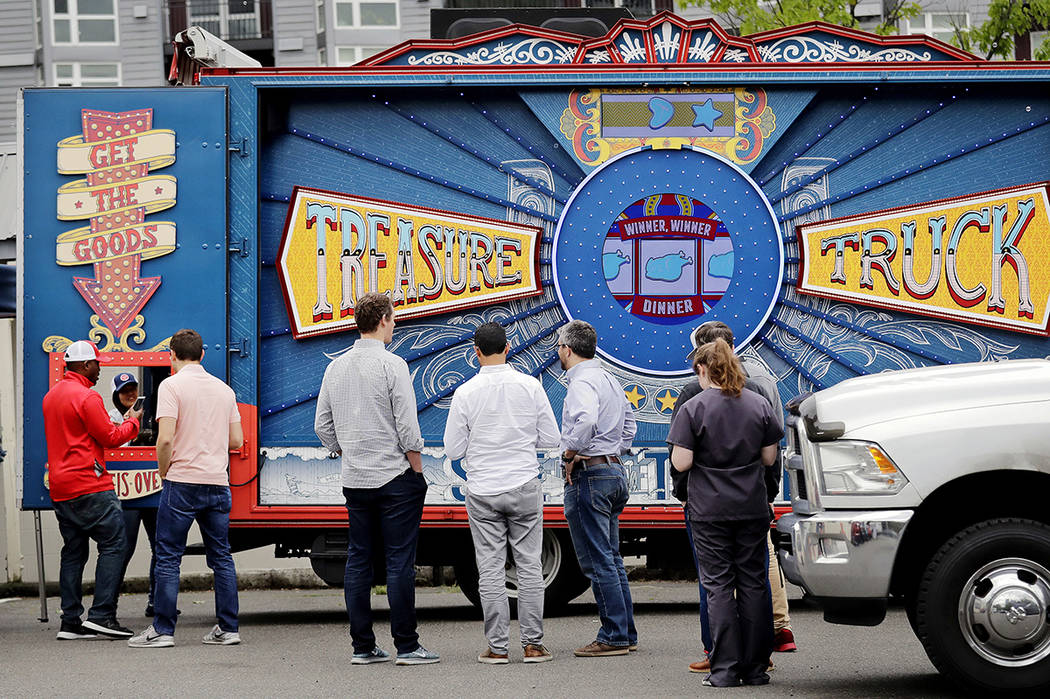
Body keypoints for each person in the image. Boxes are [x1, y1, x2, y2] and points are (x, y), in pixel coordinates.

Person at [314, 291, 439, 666]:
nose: (395, 323)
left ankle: (363, 647)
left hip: (355, 478)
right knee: (400, 562)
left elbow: (322, 425)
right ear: (383, 319)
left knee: (358, 561)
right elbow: (407, 426)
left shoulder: (334, 367)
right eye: (394, 317)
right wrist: (417, 470)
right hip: (395, 476)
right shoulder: (393, 364)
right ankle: (406, 645)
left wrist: (343, 448)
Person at [670, 321, 796, 674]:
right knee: (754, 583)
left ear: (703, 368)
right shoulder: (758, 402)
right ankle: (757, 665)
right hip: (751, 505)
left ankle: (724, 666)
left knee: (719, 586)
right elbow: (771, 459)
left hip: (709, 508)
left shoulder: (693, 406)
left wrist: (686, 490)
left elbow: (682, 462)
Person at [443, 322, 560, 664]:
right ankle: (533, 644)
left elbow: (453, 449)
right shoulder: (530, 386)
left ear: (475, 352)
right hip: (524, 484)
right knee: (528, 566)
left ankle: (497, 647)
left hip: (482, 490)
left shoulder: (465, 393)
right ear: (508, 348)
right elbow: (551, 439)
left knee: (491, 570)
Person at [128, 329, 243, 648]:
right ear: (202, 354)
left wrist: (165, 472)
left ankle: (163, 630)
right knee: (221, 556)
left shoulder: (171, 386)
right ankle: (228, 628)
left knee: (167, 556)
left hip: (182, 481)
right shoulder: (224, 390)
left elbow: (164, 439)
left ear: (172, 356)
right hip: (217, 482)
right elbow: (236, 440)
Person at [43, 340, 141, 640]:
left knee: (73, 552)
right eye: (97, 363)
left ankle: (70, 622)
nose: (100, 368)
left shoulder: (51, 396)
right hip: (90, 483)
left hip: (61, 487)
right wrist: (133, 423)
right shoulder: (87, 397)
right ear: (85, 365)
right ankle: (102, 616)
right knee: (114, 544)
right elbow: (111, 437)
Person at [557, 319, 638, 657]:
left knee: (597, 560)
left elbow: (586, 420)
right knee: (612, 557)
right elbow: (630, 423)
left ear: (568, 349)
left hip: (590, 475)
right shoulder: (608, 378)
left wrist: (570, 453)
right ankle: (625, 631)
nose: (558, 352)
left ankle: (613, 636)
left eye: (559, 346)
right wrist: (613, 450)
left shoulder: (581, 382)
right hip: (613, 470)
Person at [108, 372, 160, 618]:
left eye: (132, 388)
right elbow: (113, 448)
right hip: (125, 493)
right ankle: (108, 605)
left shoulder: (150, 415)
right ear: (115, 395)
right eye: (123, 390)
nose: (129, 394)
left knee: (160, 547)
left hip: (152, 487)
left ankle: (157, 601)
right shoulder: (110, 418)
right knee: (123, 548)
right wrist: (130, 425)